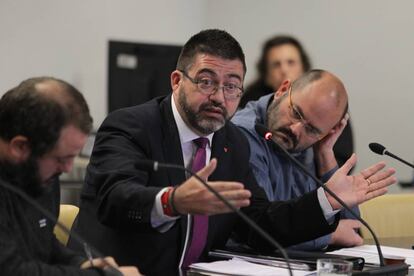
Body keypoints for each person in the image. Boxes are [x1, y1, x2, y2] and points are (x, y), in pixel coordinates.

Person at [69, 29, 396, 276]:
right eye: (207, 82)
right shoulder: (131, 125)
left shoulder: (231, 143)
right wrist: (173, 201)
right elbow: (115, 198)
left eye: (231, 86)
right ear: (176, 81)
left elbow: (259, 224)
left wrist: (327, 201)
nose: (219, 97)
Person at [0, 77, 141, 276]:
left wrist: (84, 263)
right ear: (20, 147)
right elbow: (11, 270)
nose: (66, 168)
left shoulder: (39, 173)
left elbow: (43, 243)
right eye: (60, 158)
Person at [233, 70, 362, 251]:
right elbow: (261, 228)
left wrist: (325, 154)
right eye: (296, 113)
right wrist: (329, 235)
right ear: (283, 90)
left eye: (312, 129)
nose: (295, 129)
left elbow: (353, 230)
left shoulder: (314, 145)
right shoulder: (242, 135)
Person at [240, 35, 353, 167]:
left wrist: (324, 155)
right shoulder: (248, 107)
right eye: (295, 112)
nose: (284, 70)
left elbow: (343, 158)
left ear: (303, 68)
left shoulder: (327, 106)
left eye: (291, 62)